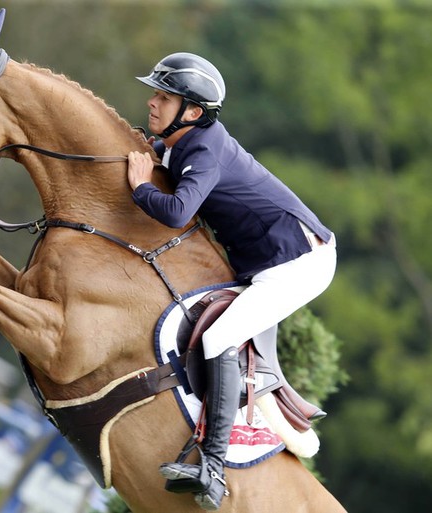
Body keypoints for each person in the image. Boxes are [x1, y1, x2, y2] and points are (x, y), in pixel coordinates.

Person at [127, 52, 337, 510]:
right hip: (272, 259)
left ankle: (213, 467)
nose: (152, 102)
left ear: (193, 112)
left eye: (164, 97)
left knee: (220, 336)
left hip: (299, 263)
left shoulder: (204, 148)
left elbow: (178, 212)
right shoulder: (187, 143)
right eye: (156, 94)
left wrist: (142, 187)